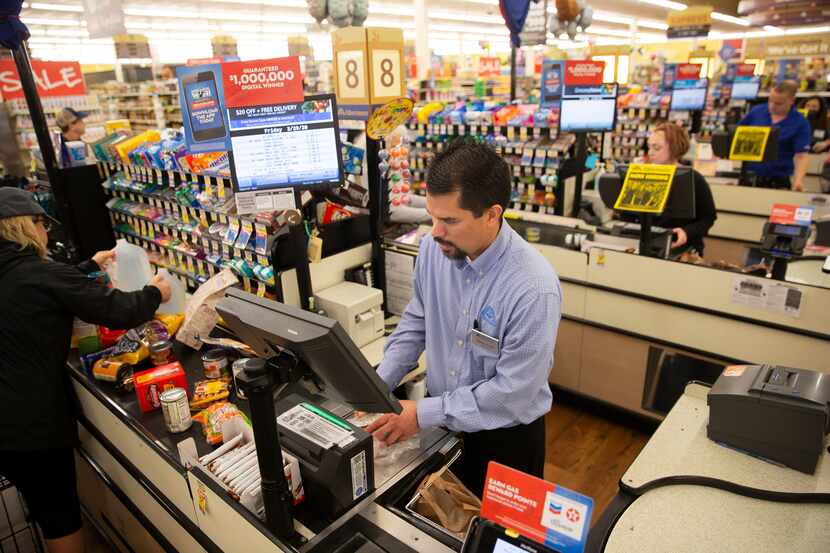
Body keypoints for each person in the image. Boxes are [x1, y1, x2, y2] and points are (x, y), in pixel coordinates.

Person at [366, 141, 562, 497]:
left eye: (450, 220)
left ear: (492, 214)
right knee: (445, 528)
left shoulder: (533, 288)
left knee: (495, 540)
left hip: (505, 440)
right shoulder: (432, 249)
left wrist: (421, 414)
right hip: (441, 422)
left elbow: (512, 394)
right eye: (432, 215)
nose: (435, 230)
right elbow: (417, 321)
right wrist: (377, 384)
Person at [0, 188, 171, 553]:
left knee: (43, 507)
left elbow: (51, 287)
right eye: (42, 223)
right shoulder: (38, 273)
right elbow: (117, 310)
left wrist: (91, 267)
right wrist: (154, 293)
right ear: (23, 227)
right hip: (31, 427)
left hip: (7, 424)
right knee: (60, 518)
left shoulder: (18, 272)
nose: (46, 232)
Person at [645, 122, 717, 255]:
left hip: (681, 248)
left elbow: (708, 217)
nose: (650, 153)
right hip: (646, 243)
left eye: (657, 148)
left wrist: (686, 232)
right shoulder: (643, 175)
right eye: (649, 147)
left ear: (674, 148)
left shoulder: (694, 179)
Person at [737, 80, 811, 191]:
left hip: (778, 180)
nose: (772, 106)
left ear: (792, 101)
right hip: (748, 176)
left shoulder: (800, 122)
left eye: (778, 103)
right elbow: (736, 134)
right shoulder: (757, 112)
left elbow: (802, 156)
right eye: (770, 101)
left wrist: (798, 180)